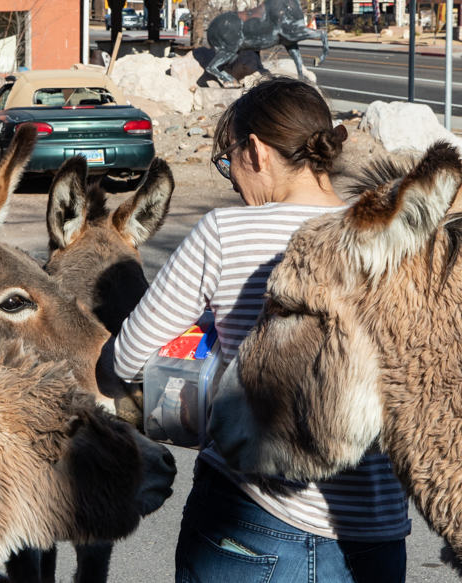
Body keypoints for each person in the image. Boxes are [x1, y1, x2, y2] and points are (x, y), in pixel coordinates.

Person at [114, 77, 410, 583]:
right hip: (379, 528)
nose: (231, 180)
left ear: (256, 150)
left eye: (227, 161)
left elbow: (127, 358)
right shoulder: (395, 238)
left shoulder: (227, 234)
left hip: (253, 522)